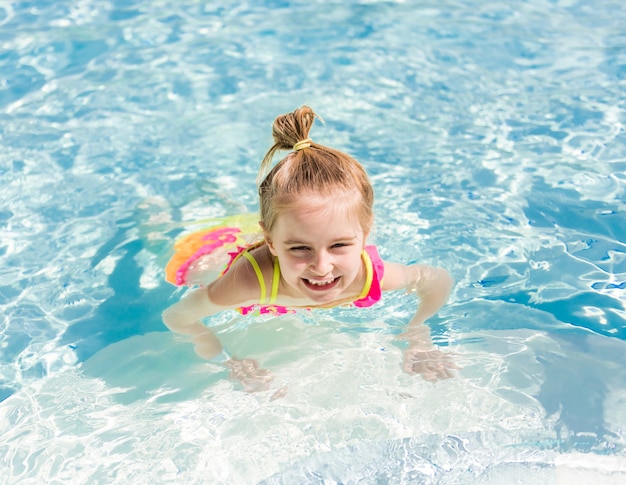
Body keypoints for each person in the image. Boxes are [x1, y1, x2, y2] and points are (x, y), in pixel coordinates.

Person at [162, 106, 457, 391]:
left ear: (366, 234)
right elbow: (177, 317)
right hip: (216, 250)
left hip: (279, 229)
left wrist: (419, 333)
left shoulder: (369, 277)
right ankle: (159, 216)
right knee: (171, 247)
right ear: (271, 243)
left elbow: (435, 280)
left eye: (339, 245)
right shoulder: (246, 282)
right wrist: (225, 360)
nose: (322, 266)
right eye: (300, 249)